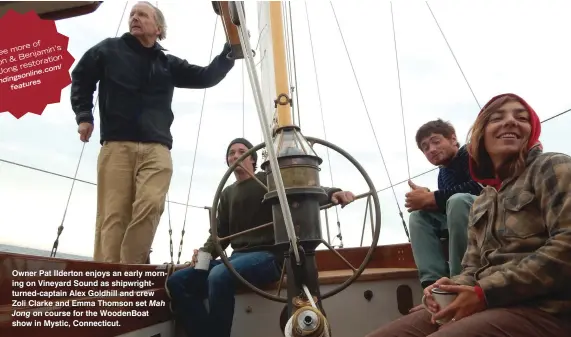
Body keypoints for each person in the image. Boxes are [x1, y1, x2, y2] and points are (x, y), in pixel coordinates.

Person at [365, 93, 571, 337]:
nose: (510, 121)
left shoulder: (552, 166)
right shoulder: (485, 198)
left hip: (544, 309)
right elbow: (473, 267)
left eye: (521, 117)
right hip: (489, 302)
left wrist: (484, 293)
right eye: (497, 118)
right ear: (481, 135)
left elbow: (566, 244)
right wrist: (452, 287)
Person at [69, 1, 235, 264]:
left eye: (142, 15)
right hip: (117, 145)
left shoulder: (167, 64)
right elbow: (81, 77)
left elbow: (205, 77)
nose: (134, 18)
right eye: (132, 14)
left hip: (157, 148)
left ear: (158, 28)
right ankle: (110, 286)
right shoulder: (108, 50)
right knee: (113, 216)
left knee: (150, 205)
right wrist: (84, 116)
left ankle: (131, 272)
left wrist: (229, 53)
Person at [166, 138, 356, 337]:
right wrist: (203, 256)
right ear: (228, 161)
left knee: (218, 275)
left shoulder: (268, 180)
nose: (236, 156)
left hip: (269, 258)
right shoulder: (227, 194)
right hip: (235, 259)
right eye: (232, 153)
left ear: (254, 160)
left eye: (242, 152)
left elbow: (299, 188)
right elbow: (219, 237)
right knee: (178, 281)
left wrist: (333, 193)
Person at [407, 119, 483, 288]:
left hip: (488, 214)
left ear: (453, 139)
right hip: (464, 215)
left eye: (436, 141)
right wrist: (428, 199)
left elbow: (480, 186)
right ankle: (433, 283)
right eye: (425, 147)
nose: (431, 149)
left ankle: (460, 279)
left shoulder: (472, 154)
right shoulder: (443, 174)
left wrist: (432, 197)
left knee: (457, 201)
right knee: (419, 216)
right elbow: (445, 204)